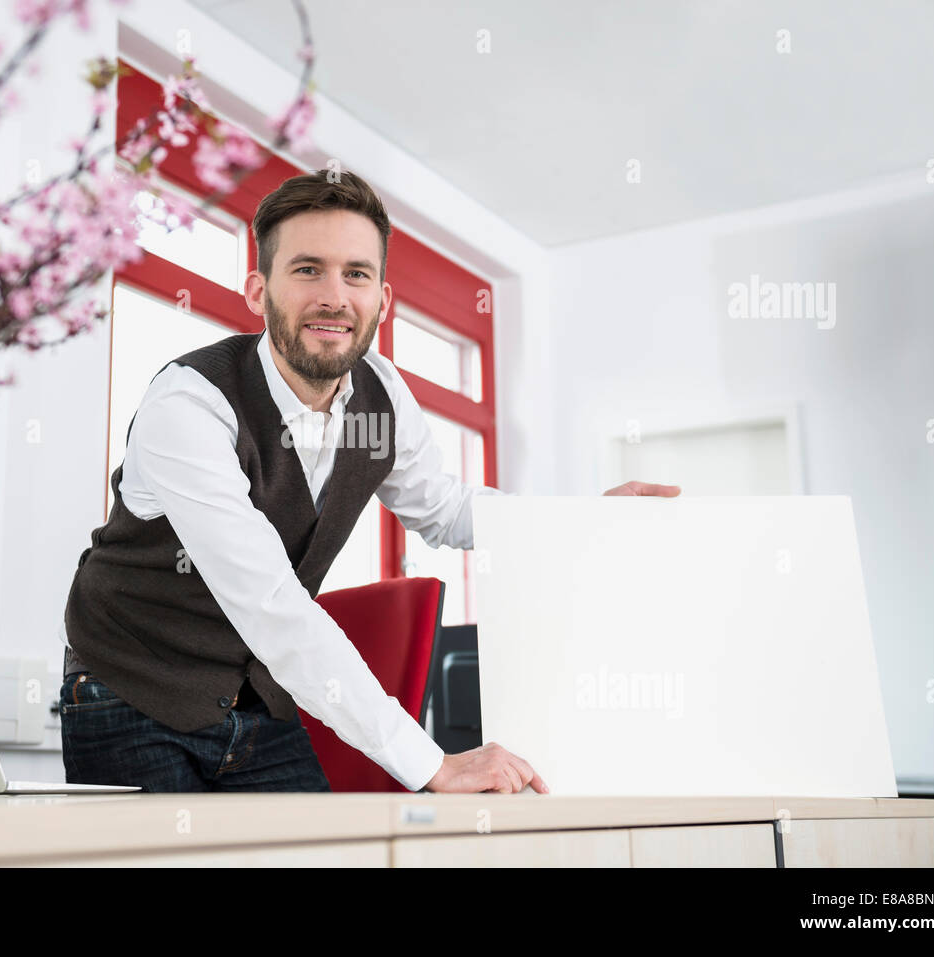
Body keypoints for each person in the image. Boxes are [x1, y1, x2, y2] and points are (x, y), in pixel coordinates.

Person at [60, 168, 680, 793]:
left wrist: (580, 520)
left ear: (382, 300)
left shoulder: (381, 400)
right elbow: (271, 605)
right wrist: (431, 763)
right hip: (129, 687)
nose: (334, 297)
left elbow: (444, 508)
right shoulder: (192, 404)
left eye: (356, 274)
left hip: (256, 700)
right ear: (258, 291)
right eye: (307, 270)